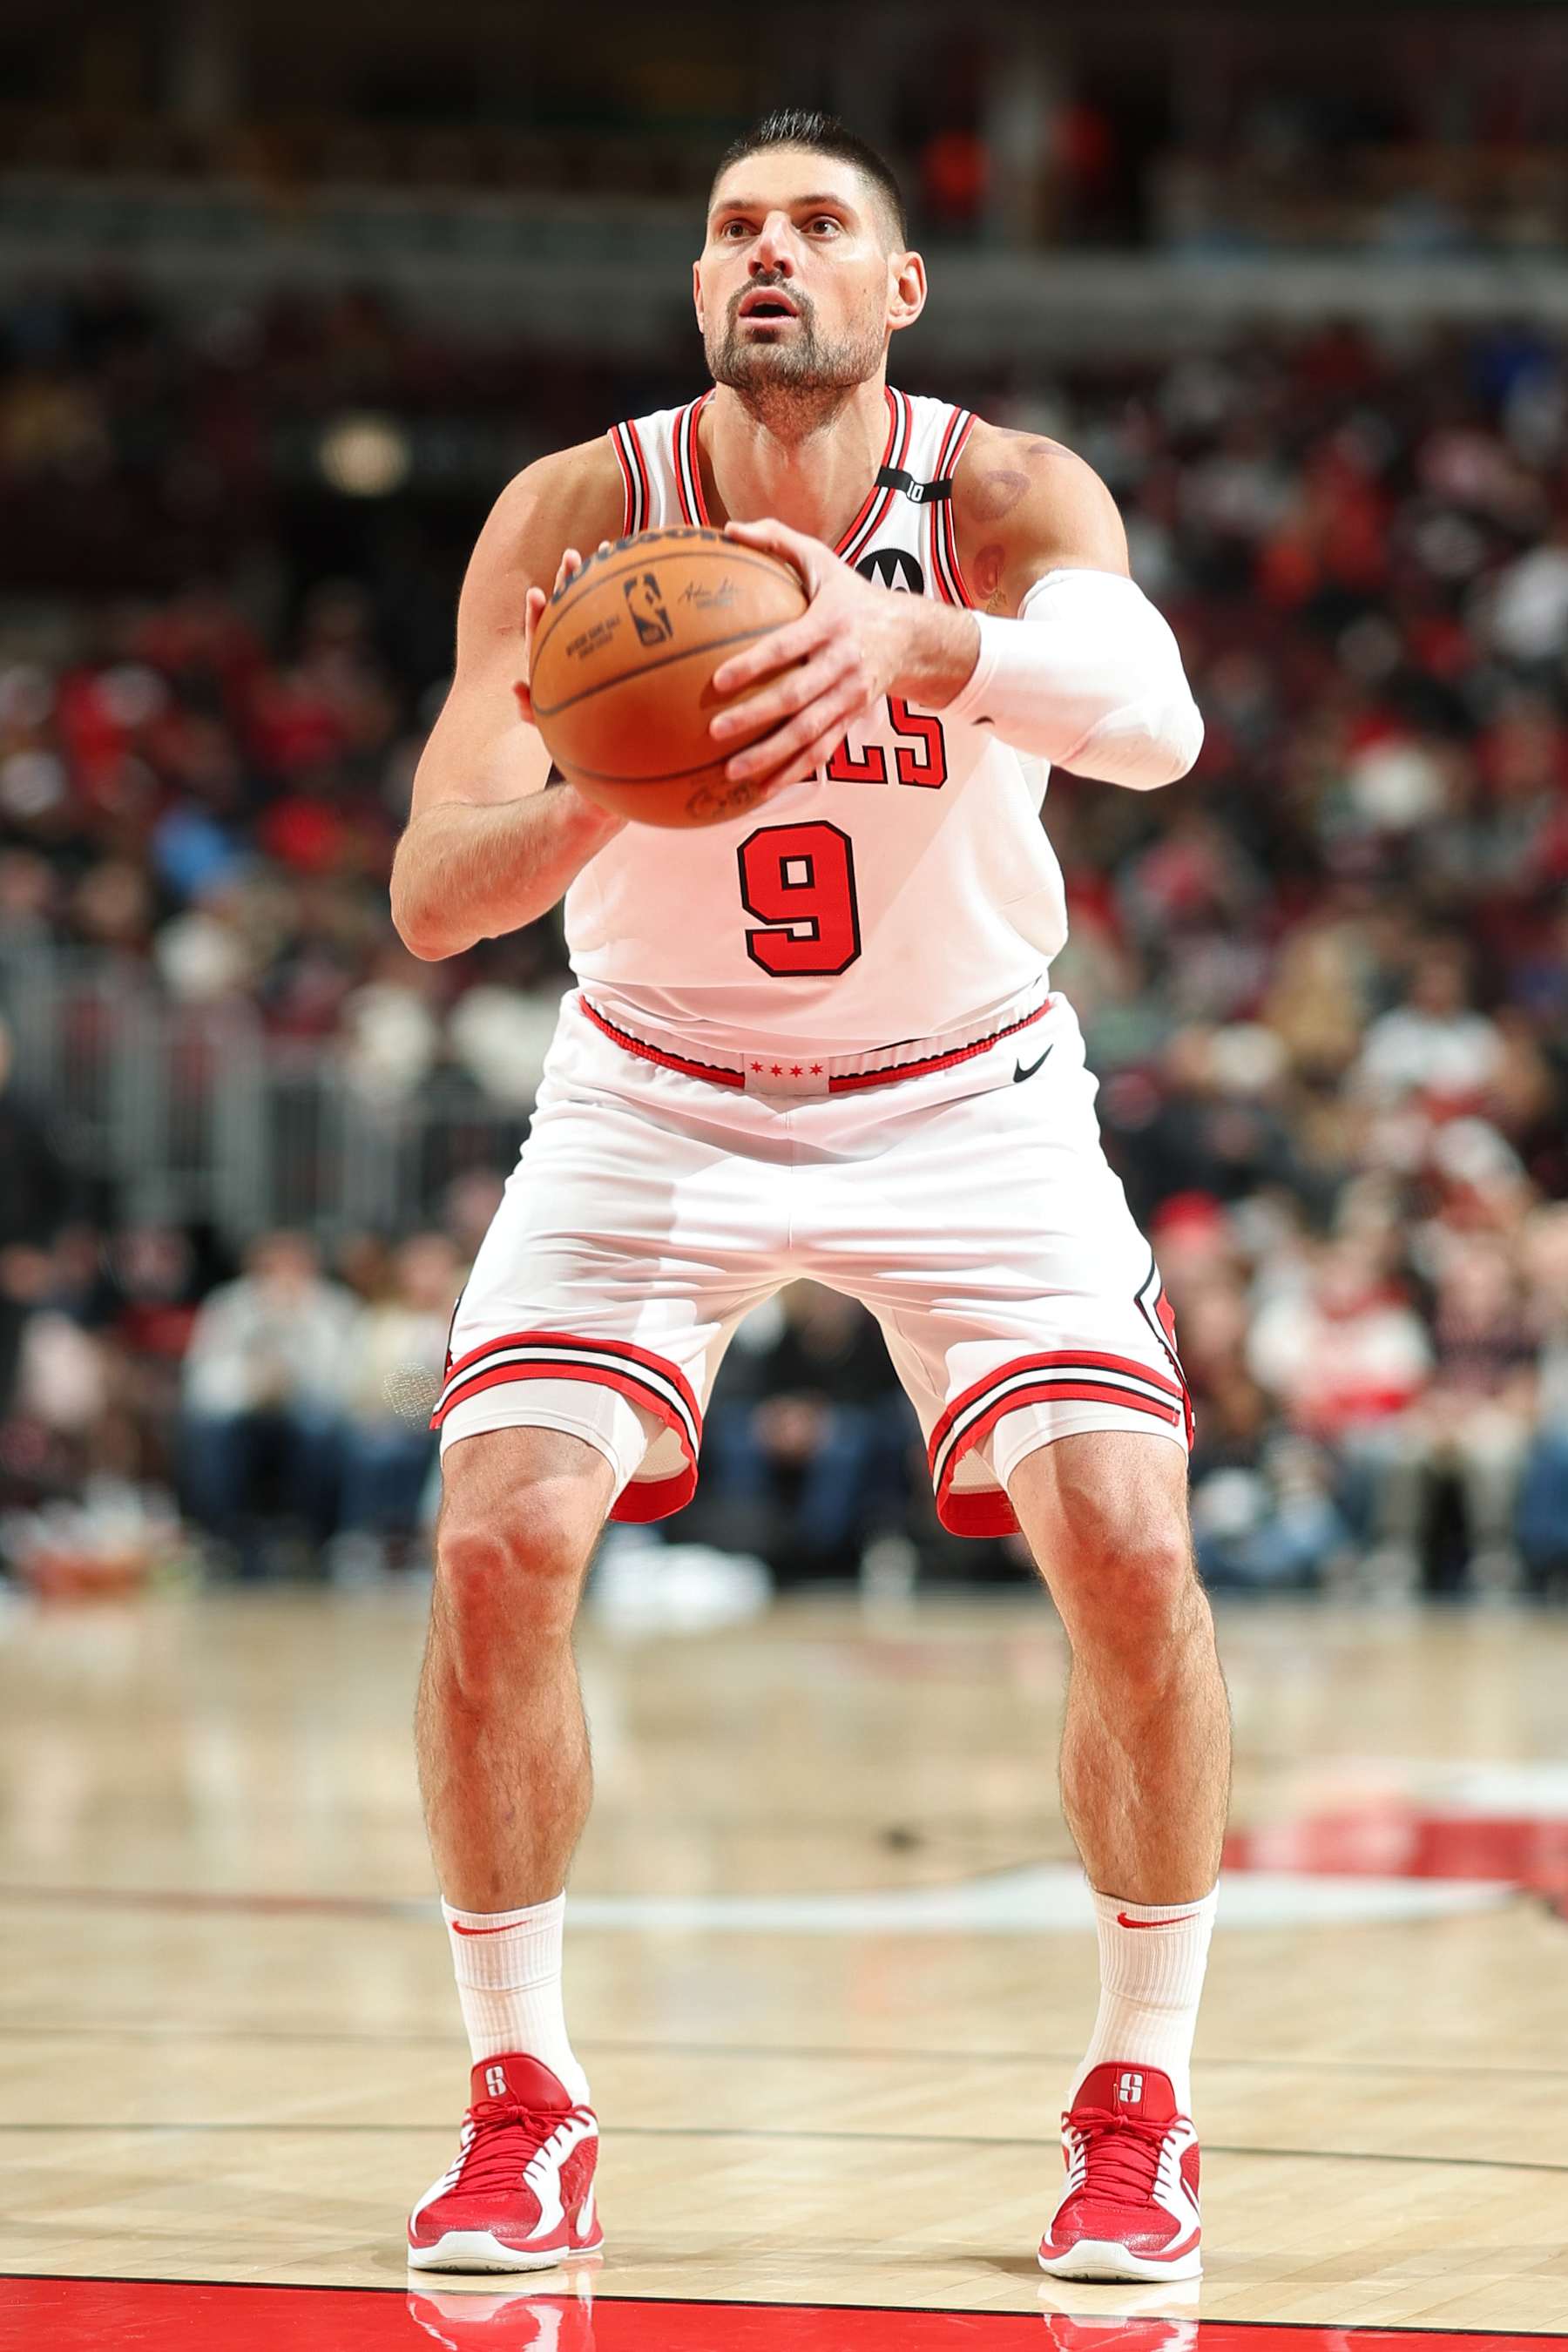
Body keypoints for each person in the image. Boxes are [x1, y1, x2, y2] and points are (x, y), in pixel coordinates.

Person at [392, 109, 1220, 2286]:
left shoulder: (1009, 493)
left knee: (1132, 1548)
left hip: (969, 1096)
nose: (775, 253)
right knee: (495, 1543)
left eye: (821, 225)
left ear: (899, 289)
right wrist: (608, 774)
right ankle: (524, 2106)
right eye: (736, 229)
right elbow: (424, 893)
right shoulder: (581, 517)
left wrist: (912, 649)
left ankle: (1141, 2103)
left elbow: (1156, 722)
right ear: (696, 290)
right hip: (656, 1095)